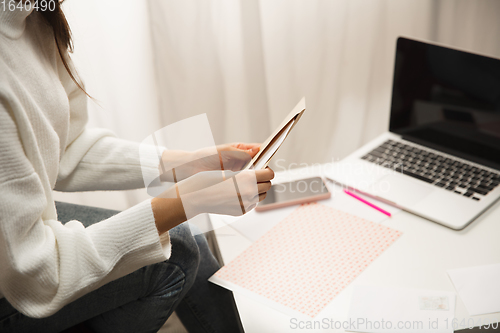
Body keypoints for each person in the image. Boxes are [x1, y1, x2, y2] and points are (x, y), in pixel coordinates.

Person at [0, 1, 274, 332]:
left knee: (183, 238)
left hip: (22, 233)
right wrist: (191, 201)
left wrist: (188, 164)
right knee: (178, 251)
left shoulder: (34, 18)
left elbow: (67, 147)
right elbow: (36, 276)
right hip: (17, 275)